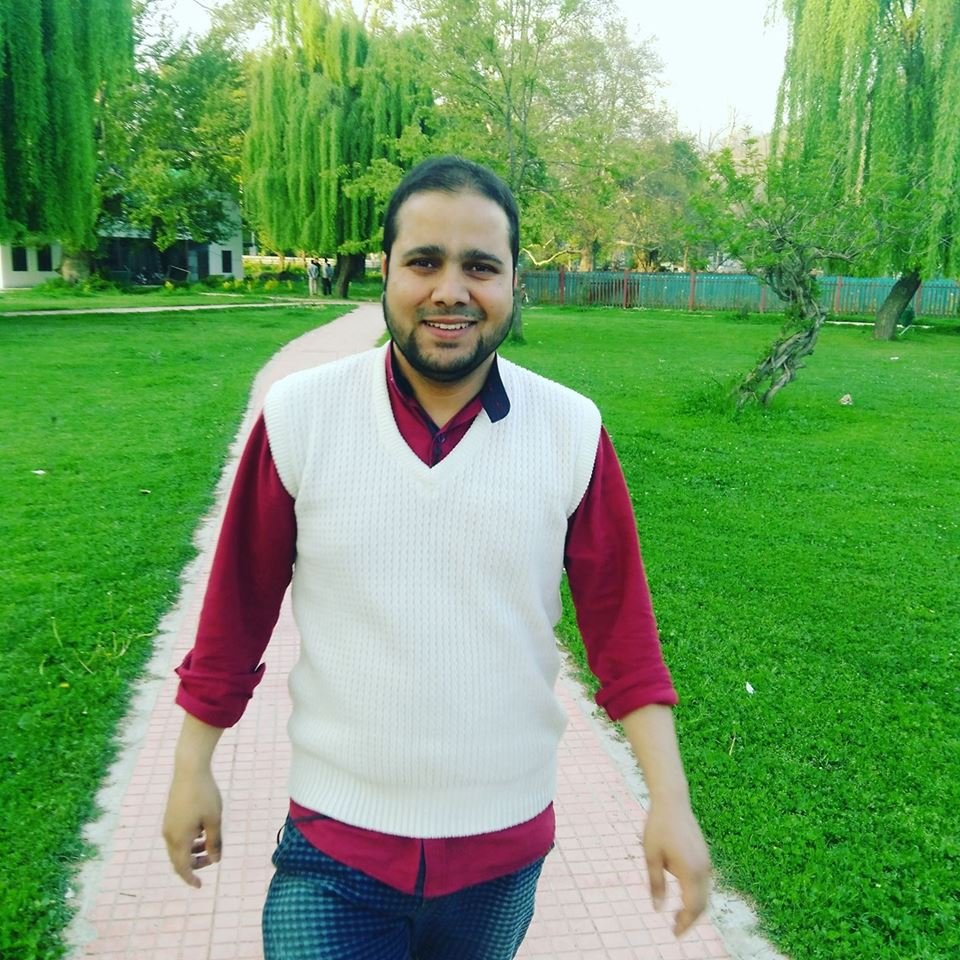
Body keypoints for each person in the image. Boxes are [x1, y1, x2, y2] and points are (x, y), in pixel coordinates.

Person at [162, 155, 711, 959]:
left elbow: (622, 634)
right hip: (336, 842)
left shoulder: (571, 431)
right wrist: (191, 767)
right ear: (385, 270)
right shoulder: (301, 417)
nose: (450, 290)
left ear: (514, 281)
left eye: (480, 266)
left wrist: (670, 800)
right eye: (424, 261)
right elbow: (235, 613)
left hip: (501, 852)